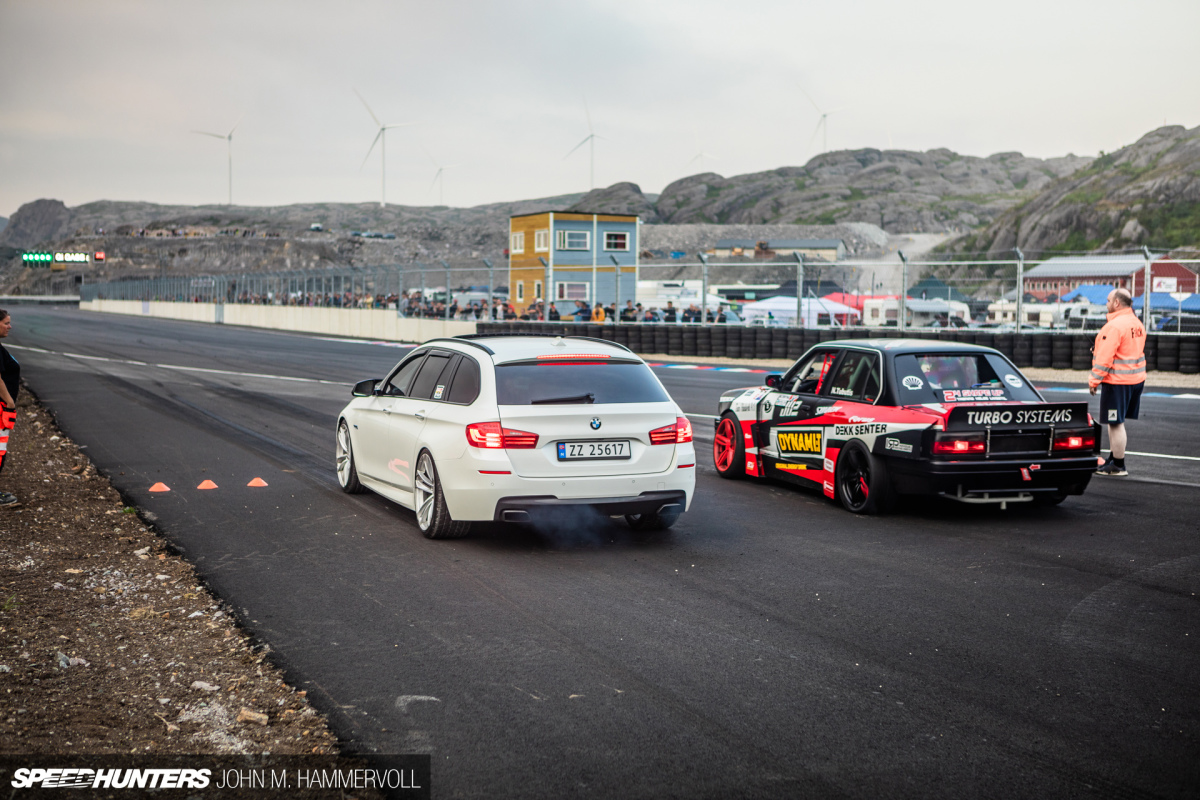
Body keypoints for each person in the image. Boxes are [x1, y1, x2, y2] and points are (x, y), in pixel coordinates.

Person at [1089, 288, 1146, 477]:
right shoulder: (1136, 323)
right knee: (1117, 421)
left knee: (1115, 423)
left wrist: (1094, 380)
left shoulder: (1114, 326)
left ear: (1116, 303)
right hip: (1135, 380)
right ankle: (1113, 458)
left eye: (1107, 300)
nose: (1106, 304)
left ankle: (1118, 465)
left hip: (1118, 381)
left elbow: (1105, 359)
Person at [0, 309, 19, 506]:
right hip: (1, 408)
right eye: (6, 323)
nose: (10, 326)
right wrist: (10, 402)